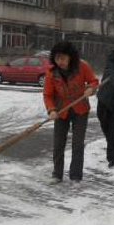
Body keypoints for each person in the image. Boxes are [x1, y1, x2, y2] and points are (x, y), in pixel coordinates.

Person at [43, 41, 99, 182]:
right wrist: (51, 110)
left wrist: (90, 89)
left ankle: (75, 176)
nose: (60, 62)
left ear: (70, 57)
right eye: (57, 58)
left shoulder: (82, 66)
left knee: (77, 144)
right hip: (61, 111)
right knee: (58, 144)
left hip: (80, 109)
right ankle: (57, 174)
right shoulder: (51, 73)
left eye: (63, 58)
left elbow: (94, 81)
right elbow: (48, 95)